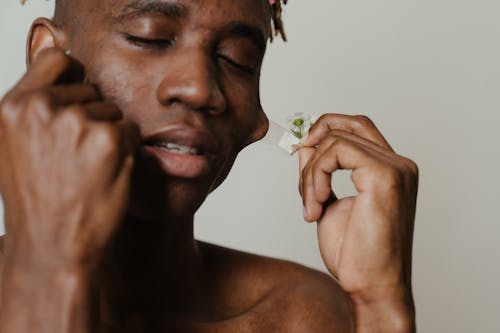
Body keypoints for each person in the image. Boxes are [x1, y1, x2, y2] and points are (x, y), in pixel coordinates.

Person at [0, 0, 419, 332]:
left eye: (236, 59)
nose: (201, 89)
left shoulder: (306, 318)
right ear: (48, 61)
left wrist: (380, 304)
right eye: (151, 37)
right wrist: (49, 267)